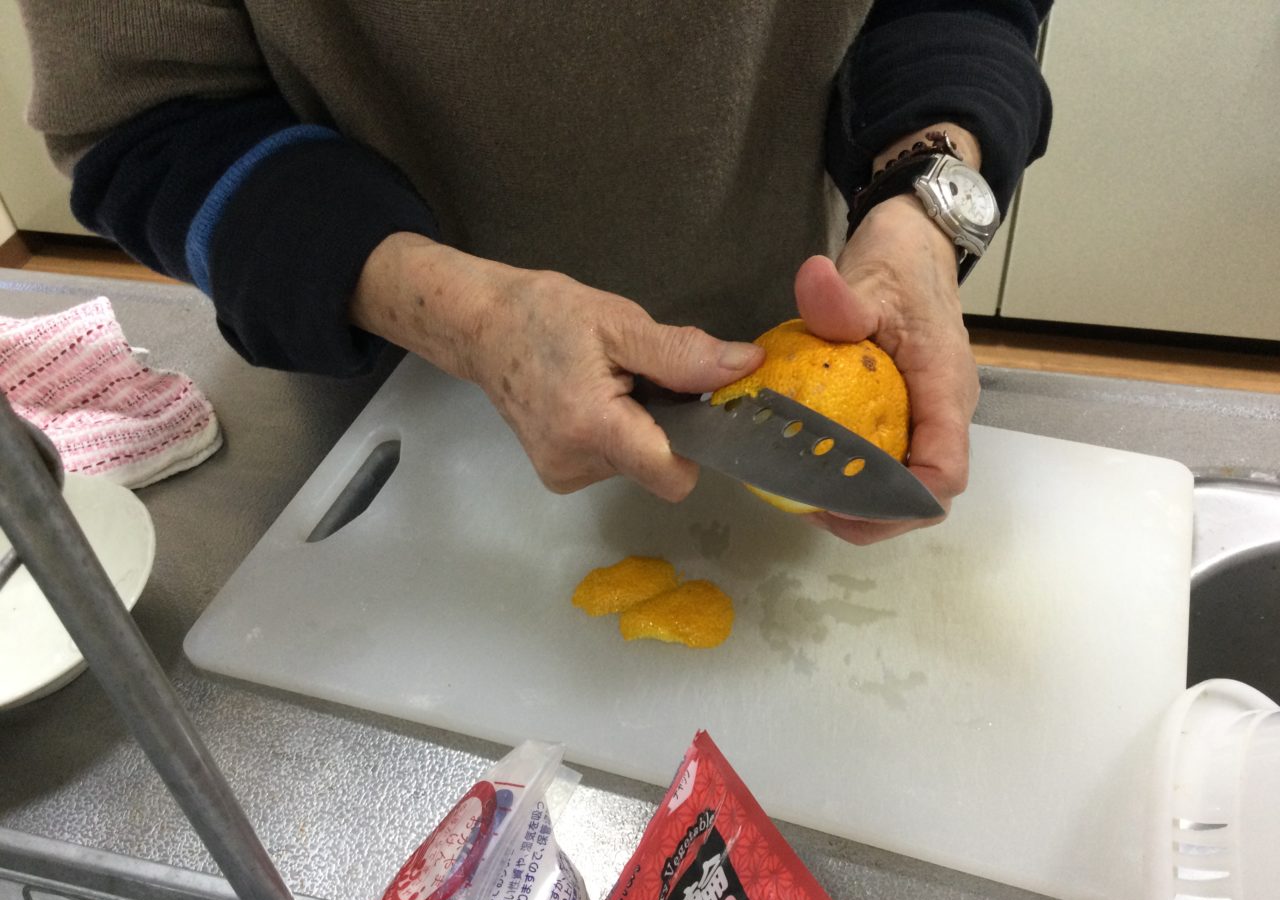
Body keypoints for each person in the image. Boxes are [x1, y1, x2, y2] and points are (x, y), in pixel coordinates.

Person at [15, 1, 1051, 544]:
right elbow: (145, 122)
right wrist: (462, 316)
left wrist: (923, 208)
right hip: (391, 390)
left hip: (784, 339)